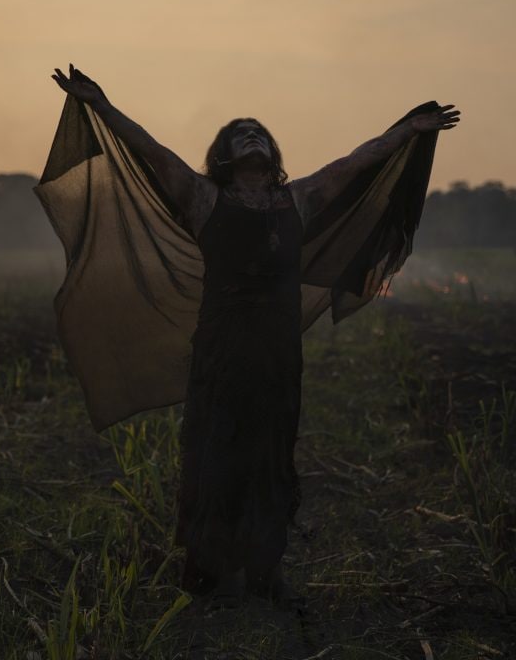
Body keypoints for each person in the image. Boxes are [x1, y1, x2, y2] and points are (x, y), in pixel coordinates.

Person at [48, 64, 460, 609]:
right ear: (224, 153)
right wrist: (99, 103)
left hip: (277, 351)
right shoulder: (201, 198)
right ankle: (209, 572)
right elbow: (149, 150)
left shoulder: (301, 200)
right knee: (214, 452)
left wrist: (408, 130)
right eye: (241, 133)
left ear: (273, 153)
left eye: (260, 132)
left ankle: (265, 569)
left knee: (270, 454)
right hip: (221, 348)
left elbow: (358, 160)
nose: (253, 136)